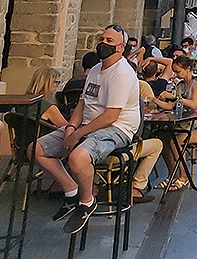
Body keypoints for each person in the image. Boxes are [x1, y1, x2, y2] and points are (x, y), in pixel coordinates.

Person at [34, 25, 140, 235]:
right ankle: (70, 189)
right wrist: (70, 127)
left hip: (116, 128)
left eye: (109, 41)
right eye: (102, 39)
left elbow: (111, 116)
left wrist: (77, 135)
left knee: (78, 157)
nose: (103, 43)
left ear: (120, 48)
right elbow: (83, 103)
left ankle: (86, 202)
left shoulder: (122, 74)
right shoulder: (94, 70)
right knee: (36, 149)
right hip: (87, 124)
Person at [153, 55, 197, 189]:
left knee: (176, 141)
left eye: (178, 71)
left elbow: (194, 104)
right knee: (162, 137)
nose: (176, 75)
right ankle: (172, 174)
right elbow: (171, 106)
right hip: (189, 124)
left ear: (188, 69)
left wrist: (174, 97)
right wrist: (154, 101)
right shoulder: (180, 85)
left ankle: (183, 176)